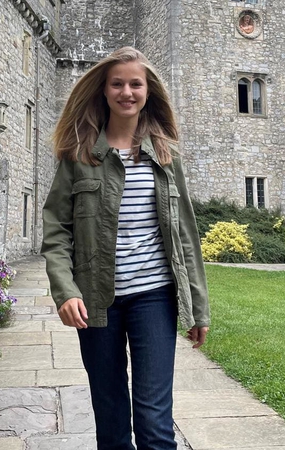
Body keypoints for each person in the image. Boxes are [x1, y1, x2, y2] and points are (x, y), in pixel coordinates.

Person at [41, 46, 210, 450]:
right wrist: (66, 291)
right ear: (104, 90)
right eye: (117, 83)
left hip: (154, 298)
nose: (127, 91)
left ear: (148, 91)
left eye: (136, 83)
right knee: (111, 417)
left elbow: (185, 232)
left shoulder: (166, 156)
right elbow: (56, 230)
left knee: (154, 421)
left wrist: (198, 307)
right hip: (97, 302)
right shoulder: (79, 156)